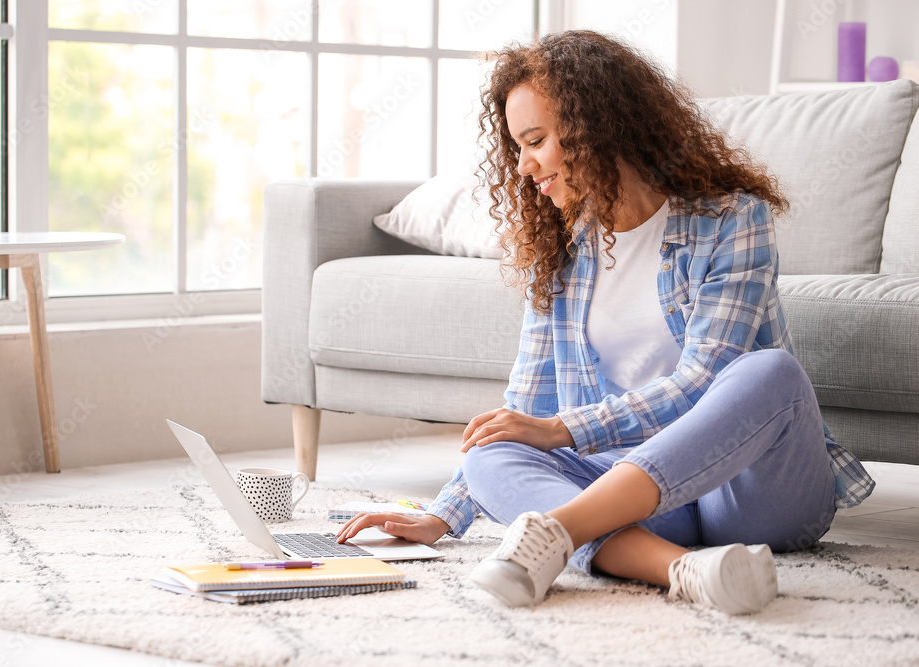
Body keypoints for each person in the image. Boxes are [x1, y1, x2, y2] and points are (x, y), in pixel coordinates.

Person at [337, 30, 874, 615]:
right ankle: (684, 570)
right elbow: (527, 402)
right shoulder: (562, 249)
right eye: (517, 147)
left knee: (770, 373)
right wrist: (444, 513)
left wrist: (563, 430)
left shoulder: (732, 218)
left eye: (536, 140)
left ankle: (557, 534)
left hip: (747, 495)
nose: (523, 166)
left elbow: (704, 380)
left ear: (596, 124)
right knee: (493, 454)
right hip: (652, 505)